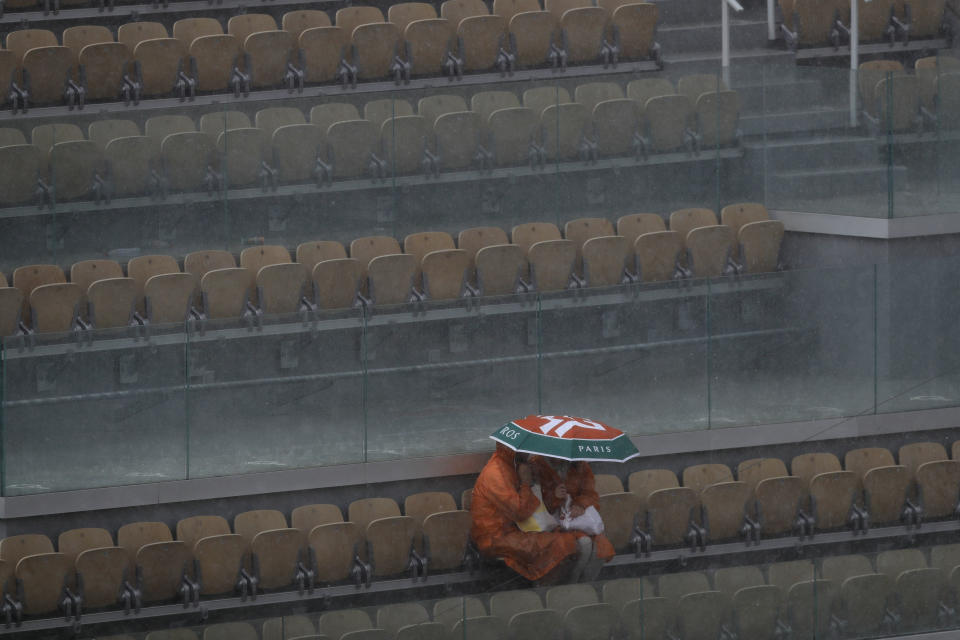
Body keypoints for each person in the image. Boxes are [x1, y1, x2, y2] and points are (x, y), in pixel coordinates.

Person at [470, 444, 613, 584]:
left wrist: (580, 504)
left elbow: (590, 493)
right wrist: (548, 494)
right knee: (565, 544)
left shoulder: (579, 466)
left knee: (597, 544)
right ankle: (556, 589)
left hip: (536, 525)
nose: (531, 451)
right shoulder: (498, 473)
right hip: (499, 536)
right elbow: (522, 511)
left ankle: (579, 588)